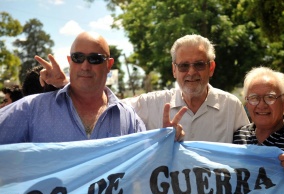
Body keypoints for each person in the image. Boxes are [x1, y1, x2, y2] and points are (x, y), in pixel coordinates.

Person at [36, 34, 250, 143]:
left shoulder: (232, 107)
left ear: (211, 67)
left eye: (199, 64)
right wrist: (67, 84)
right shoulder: (149, 104)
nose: (191, 72)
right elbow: (105, 106)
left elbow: (251, 155)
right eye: (184, 65)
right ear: (174, 70)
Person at [0, 31, 186, 144]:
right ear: (69, 62)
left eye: (95, 59)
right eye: (78, 58)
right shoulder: (32, 109)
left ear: (109, 64)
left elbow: (145, 163)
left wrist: (166, 141)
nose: (85, 66)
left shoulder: (128, 118)